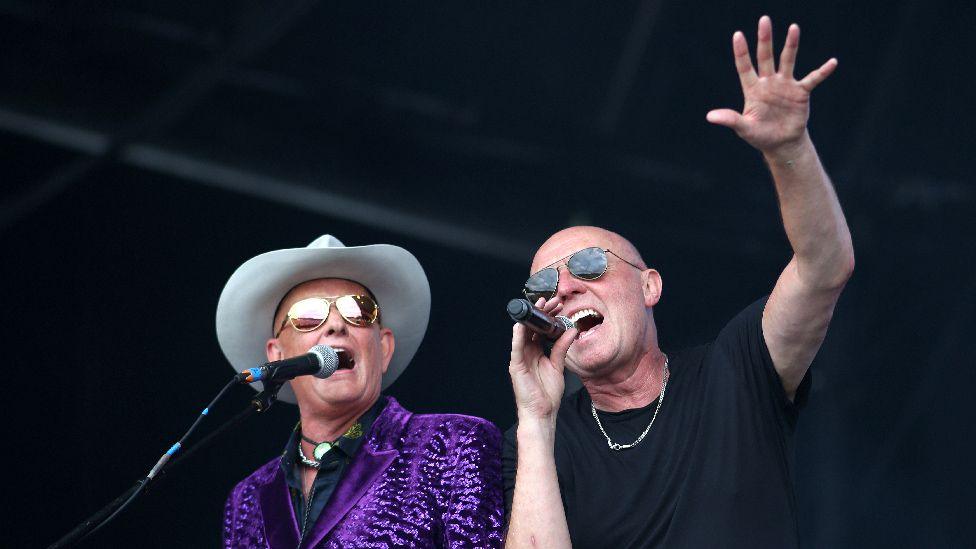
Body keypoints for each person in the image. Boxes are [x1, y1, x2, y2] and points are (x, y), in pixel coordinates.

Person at [504, 16, 854, 549]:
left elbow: (824, 268)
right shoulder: (532, 446)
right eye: (544, 283)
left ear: (650, 287)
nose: (566, 288)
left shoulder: (734, 372)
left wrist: (789, 151)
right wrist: (535, 417)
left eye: (591, 265)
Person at [218, 235, 504, 548]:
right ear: (277, 356)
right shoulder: (247, 498)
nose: (336, 325)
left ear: (384, 347)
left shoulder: (453, 442)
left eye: (359, 311)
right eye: (309, 316)